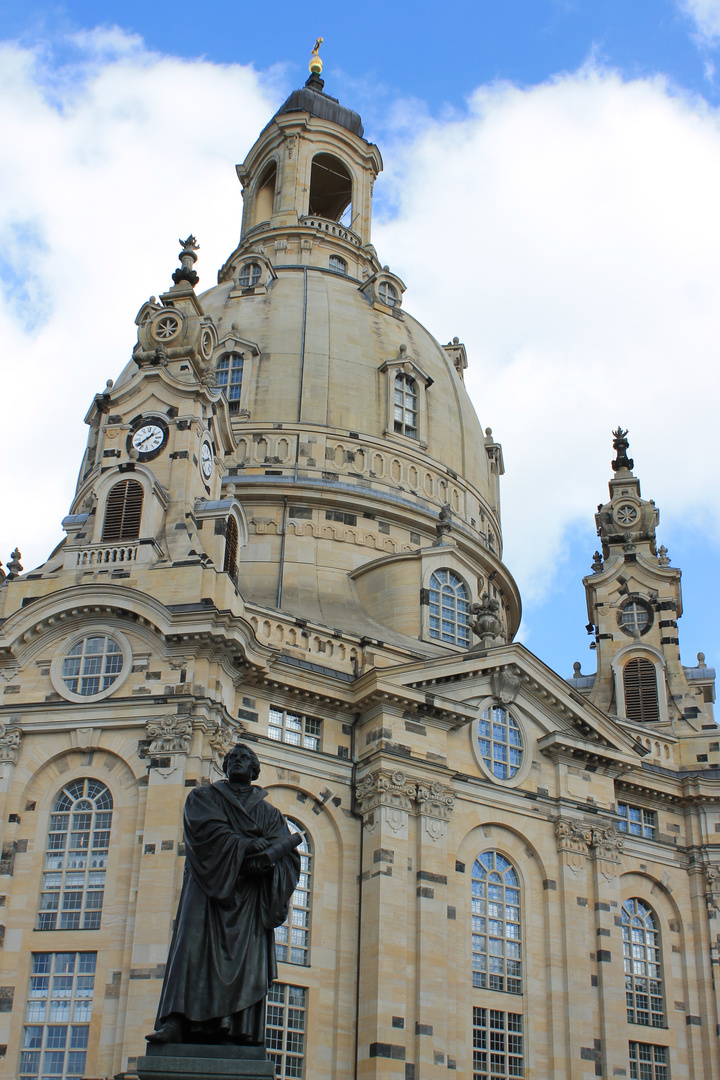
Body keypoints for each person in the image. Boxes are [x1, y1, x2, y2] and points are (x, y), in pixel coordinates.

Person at [147, 743, 301, 1045]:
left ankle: (237, 1028)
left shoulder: (270, 813)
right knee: (189, 950)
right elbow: (204, 832)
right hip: (207, 889)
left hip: (249, 899)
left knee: (244, 962)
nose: (239, 762)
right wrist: (246, 846)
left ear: (254, 770)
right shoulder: (204, 797)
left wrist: (269, 861)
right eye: (234, 758)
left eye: (245, 759)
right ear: (225, 765)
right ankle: (176, 1022)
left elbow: (288, 858)